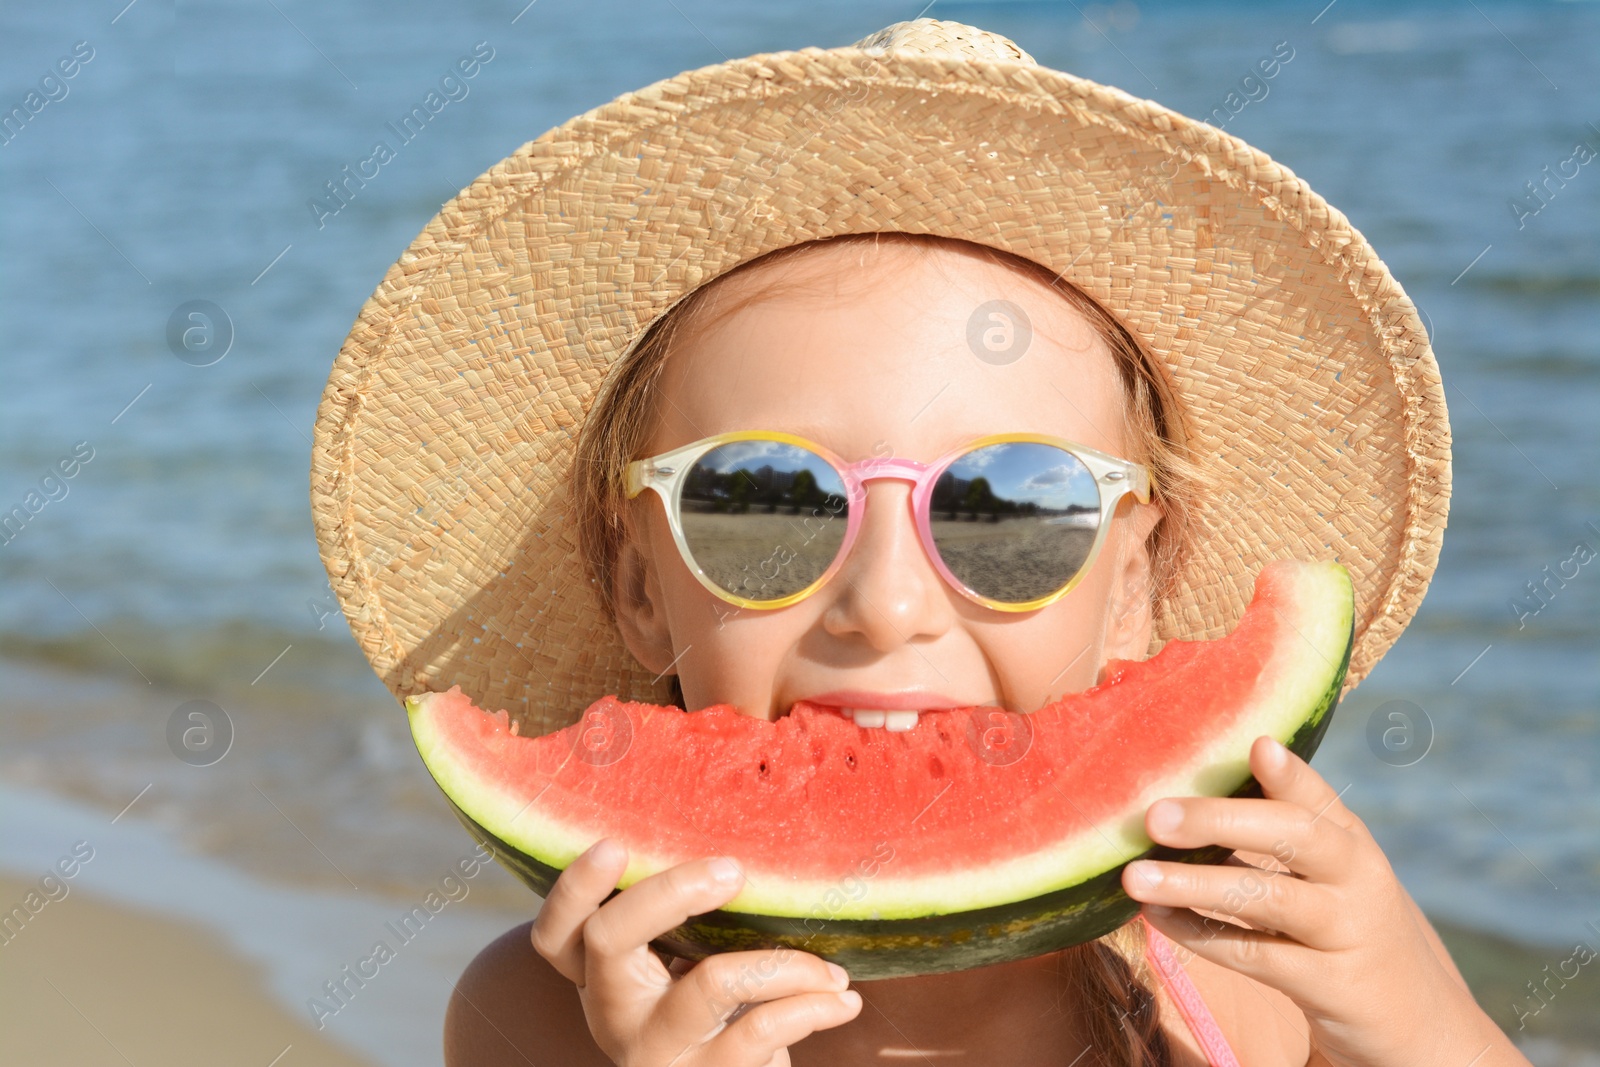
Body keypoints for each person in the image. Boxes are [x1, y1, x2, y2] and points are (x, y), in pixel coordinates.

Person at [310, 18, 1524, 1067]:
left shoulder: (1238, 980)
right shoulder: (545, 1017)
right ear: (636, 575)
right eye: (765, 501)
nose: (885, 603)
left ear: (1135, 577)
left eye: (1010, 507)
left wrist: (1417, 1012)